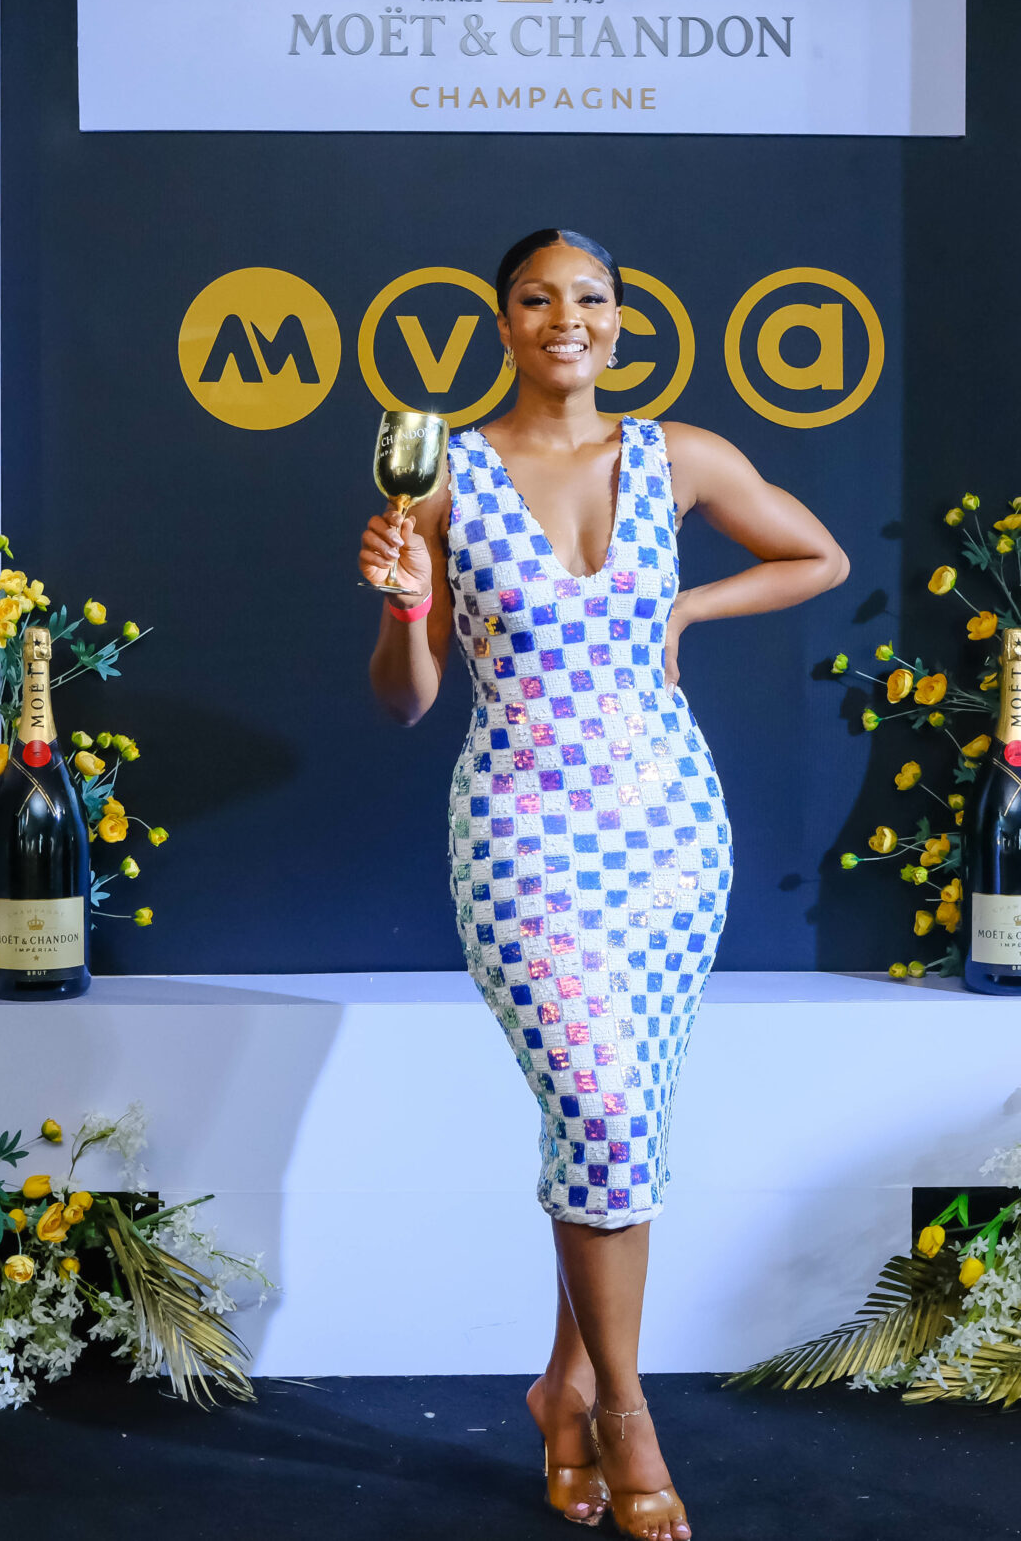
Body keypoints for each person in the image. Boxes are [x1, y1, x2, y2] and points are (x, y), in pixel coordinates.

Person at [360, 229, 848, 1537]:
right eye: (537, 298)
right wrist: (405, 605)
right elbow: (408, 703)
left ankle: (564, 1391)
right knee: (599, 1110)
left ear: (621, 320)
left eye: (589, 297)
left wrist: (686, 611)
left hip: (669, 830)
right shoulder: (442, 476)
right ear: (503, 322)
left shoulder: (679, 457)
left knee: (620, 1118)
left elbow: (819, 557)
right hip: (521, 828)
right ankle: (630, 1418)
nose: (564, 317)